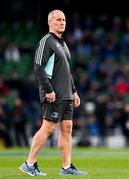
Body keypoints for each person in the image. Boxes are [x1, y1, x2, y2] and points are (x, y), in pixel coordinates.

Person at [19, 9, 87, 176]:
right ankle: (29, 164)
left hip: (66, 94)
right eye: (58, 19)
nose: (62, 22)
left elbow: (66, 71)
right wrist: (48, 90)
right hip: (53, 94)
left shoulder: (62, 43)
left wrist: (74, 91)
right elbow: (38, 66)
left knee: (67, 128)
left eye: (63, 19)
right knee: (48, 127)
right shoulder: (46, 41)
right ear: (50, 22)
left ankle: (66, 167)